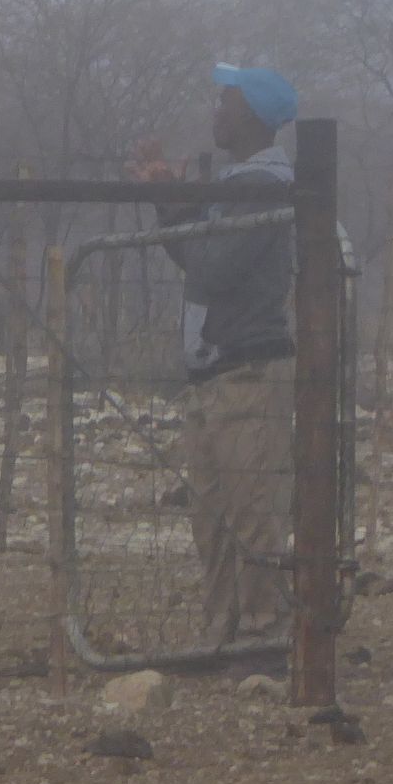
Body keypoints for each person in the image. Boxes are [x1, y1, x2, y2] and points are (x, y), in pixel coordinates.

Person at [129, 63, 299, 654]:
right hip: (219, 369)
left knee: (250, 515)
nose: (216, 113)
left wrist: (175, 209)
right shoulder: (238, 185)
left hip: (247, 369)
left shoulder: (260, 188)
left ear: (252, 112)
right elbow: (201, 264)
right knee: (215, 519)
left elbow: (209, 271)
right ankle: (224, 634)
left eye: (224, 102)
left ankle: (261, 637)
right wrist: (171, 203)